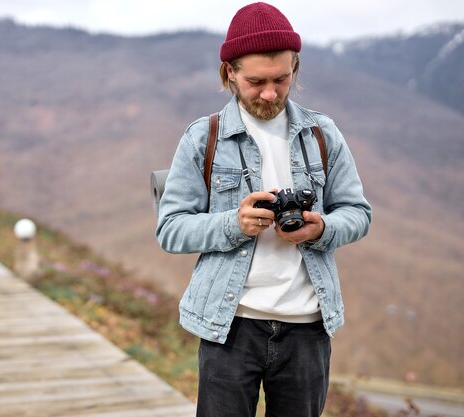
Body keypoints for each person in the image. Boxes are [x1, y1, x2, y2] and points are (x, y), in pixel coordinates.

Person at [155, 3, 372, 417]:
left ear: (296, 69)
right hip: (230, 326)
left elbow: (358, 213)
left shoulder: (323, 134)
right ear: (229, 73)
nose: (270, 93)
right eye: (256, 81)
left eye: (281, 79)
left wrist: (320, 228)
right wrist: (233, 223)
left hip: (308, 328)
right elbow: (170, 229)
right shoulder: (204, 138)